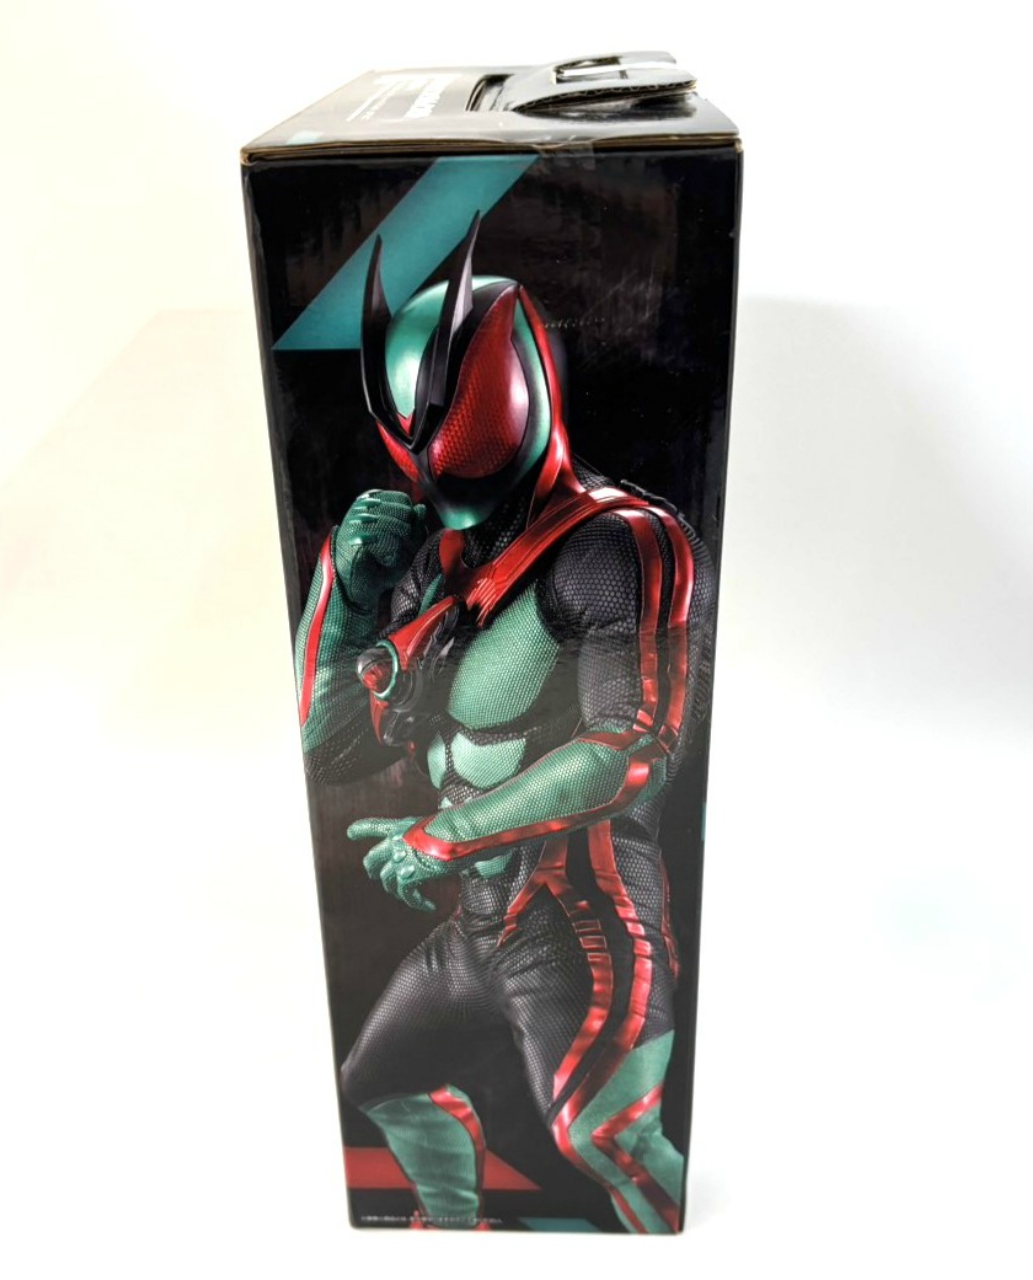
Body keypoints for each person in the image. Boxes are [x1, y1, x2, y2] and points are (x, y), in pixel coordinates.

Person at [293, 217, 714, 1232]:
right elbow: (330, 748)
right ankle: (453, 1232)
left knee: (604, 1136)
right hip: (476, 924)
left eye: (447, 420)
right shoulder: (443, 567)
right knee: (377, 1081)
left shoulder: (621, 544)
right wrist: (340, 596)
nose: (427, 452)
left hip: (583, 919)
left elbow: (630, 750)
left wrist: (443, 834)